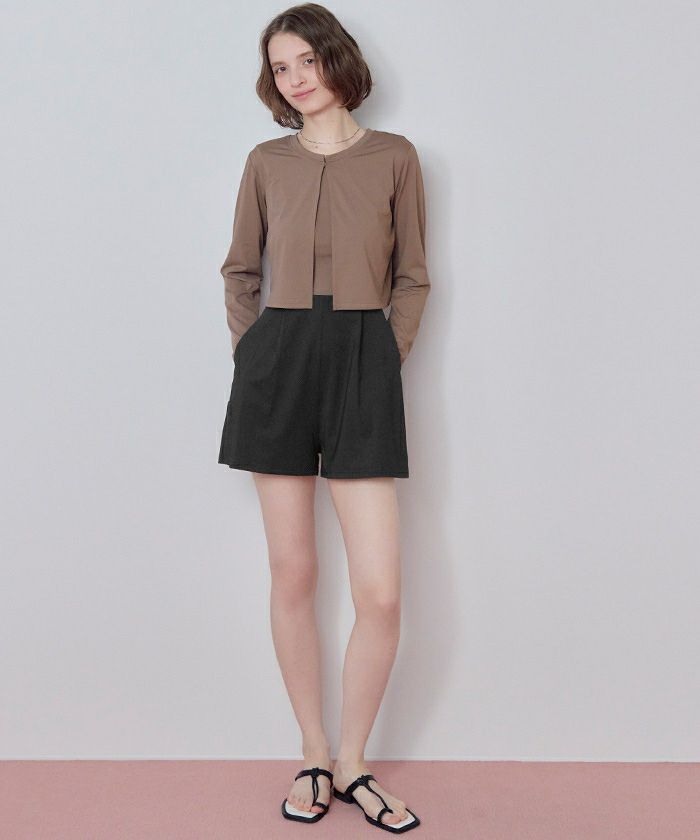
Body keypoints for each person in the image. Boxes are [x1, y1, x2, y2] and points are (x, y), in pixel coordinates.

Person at [217, 3, 430, 832]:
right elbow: (241, 271)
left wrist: (382, 357)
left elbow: (413, 275)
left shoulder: (395, 157)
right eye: (281, 68)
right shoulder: (265, 162)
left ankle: (354, 761)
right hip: (278, 362)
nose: (296, 78)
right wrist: (254, 355)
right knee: (295, 574)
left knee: (381, 593)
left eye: (306, 60)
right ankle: (312, 749)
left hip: (361, 361)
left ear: (337, 60)